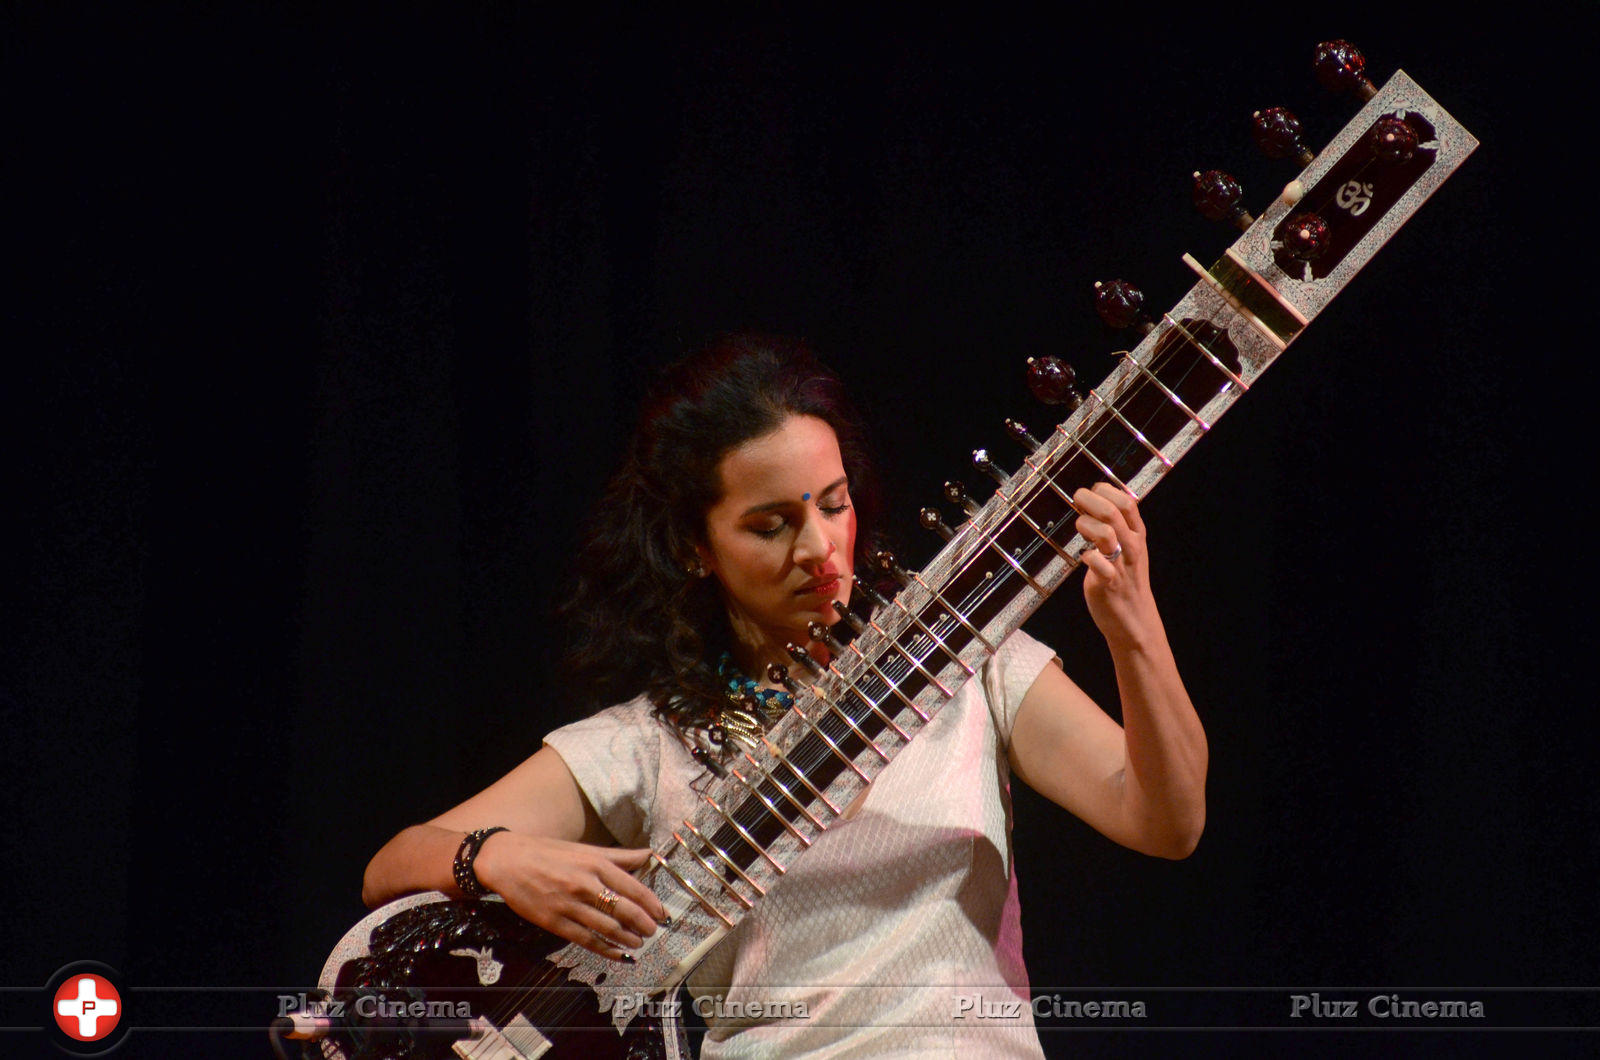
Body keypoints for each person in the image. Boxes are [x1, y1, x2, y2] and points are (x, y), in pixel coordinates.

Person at [362, 334, 1207, 1057]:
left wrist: (1133, 624)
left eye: (834, 506)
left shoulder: (968, 660)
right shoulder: (648, 743)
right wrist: (498, 858)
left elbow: (1166, 822)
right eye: (769, 526)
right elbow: (394, 863)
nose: (820, 548)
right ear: (696, 548)